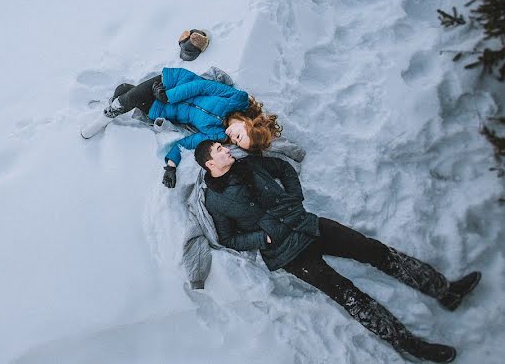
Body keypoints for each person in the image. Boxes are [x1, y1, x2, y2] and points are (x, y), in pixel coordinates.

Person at [196, 141, 481, 363]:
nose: (226, 149)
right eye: (219, 149)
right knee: (350, 297)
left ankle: (443, 290)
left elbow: (283, 170)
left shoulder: (250, 165)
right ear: (210, 163)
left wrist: (296, 198)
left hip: (309, 225)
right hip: (288, 254)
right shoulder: (216, 200)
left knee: (372, 250)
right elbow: (228, 238)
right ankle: (415, 347)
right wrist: (263, 237)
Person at [81, 67, 281, 188]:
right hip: (172, 86)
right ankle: (102, 119)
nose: (232, 137)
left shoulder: (217, 135)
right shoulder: (238, 99)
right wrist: (169, 94)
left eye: (237, 141)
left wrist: (171, 166)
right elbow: (203, 86)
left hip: (164, 107)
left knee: (125, 92)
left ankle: (114, 103)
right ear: (247, 123)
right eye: (239, 135)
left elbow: (187, 143)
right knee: (129, 98)